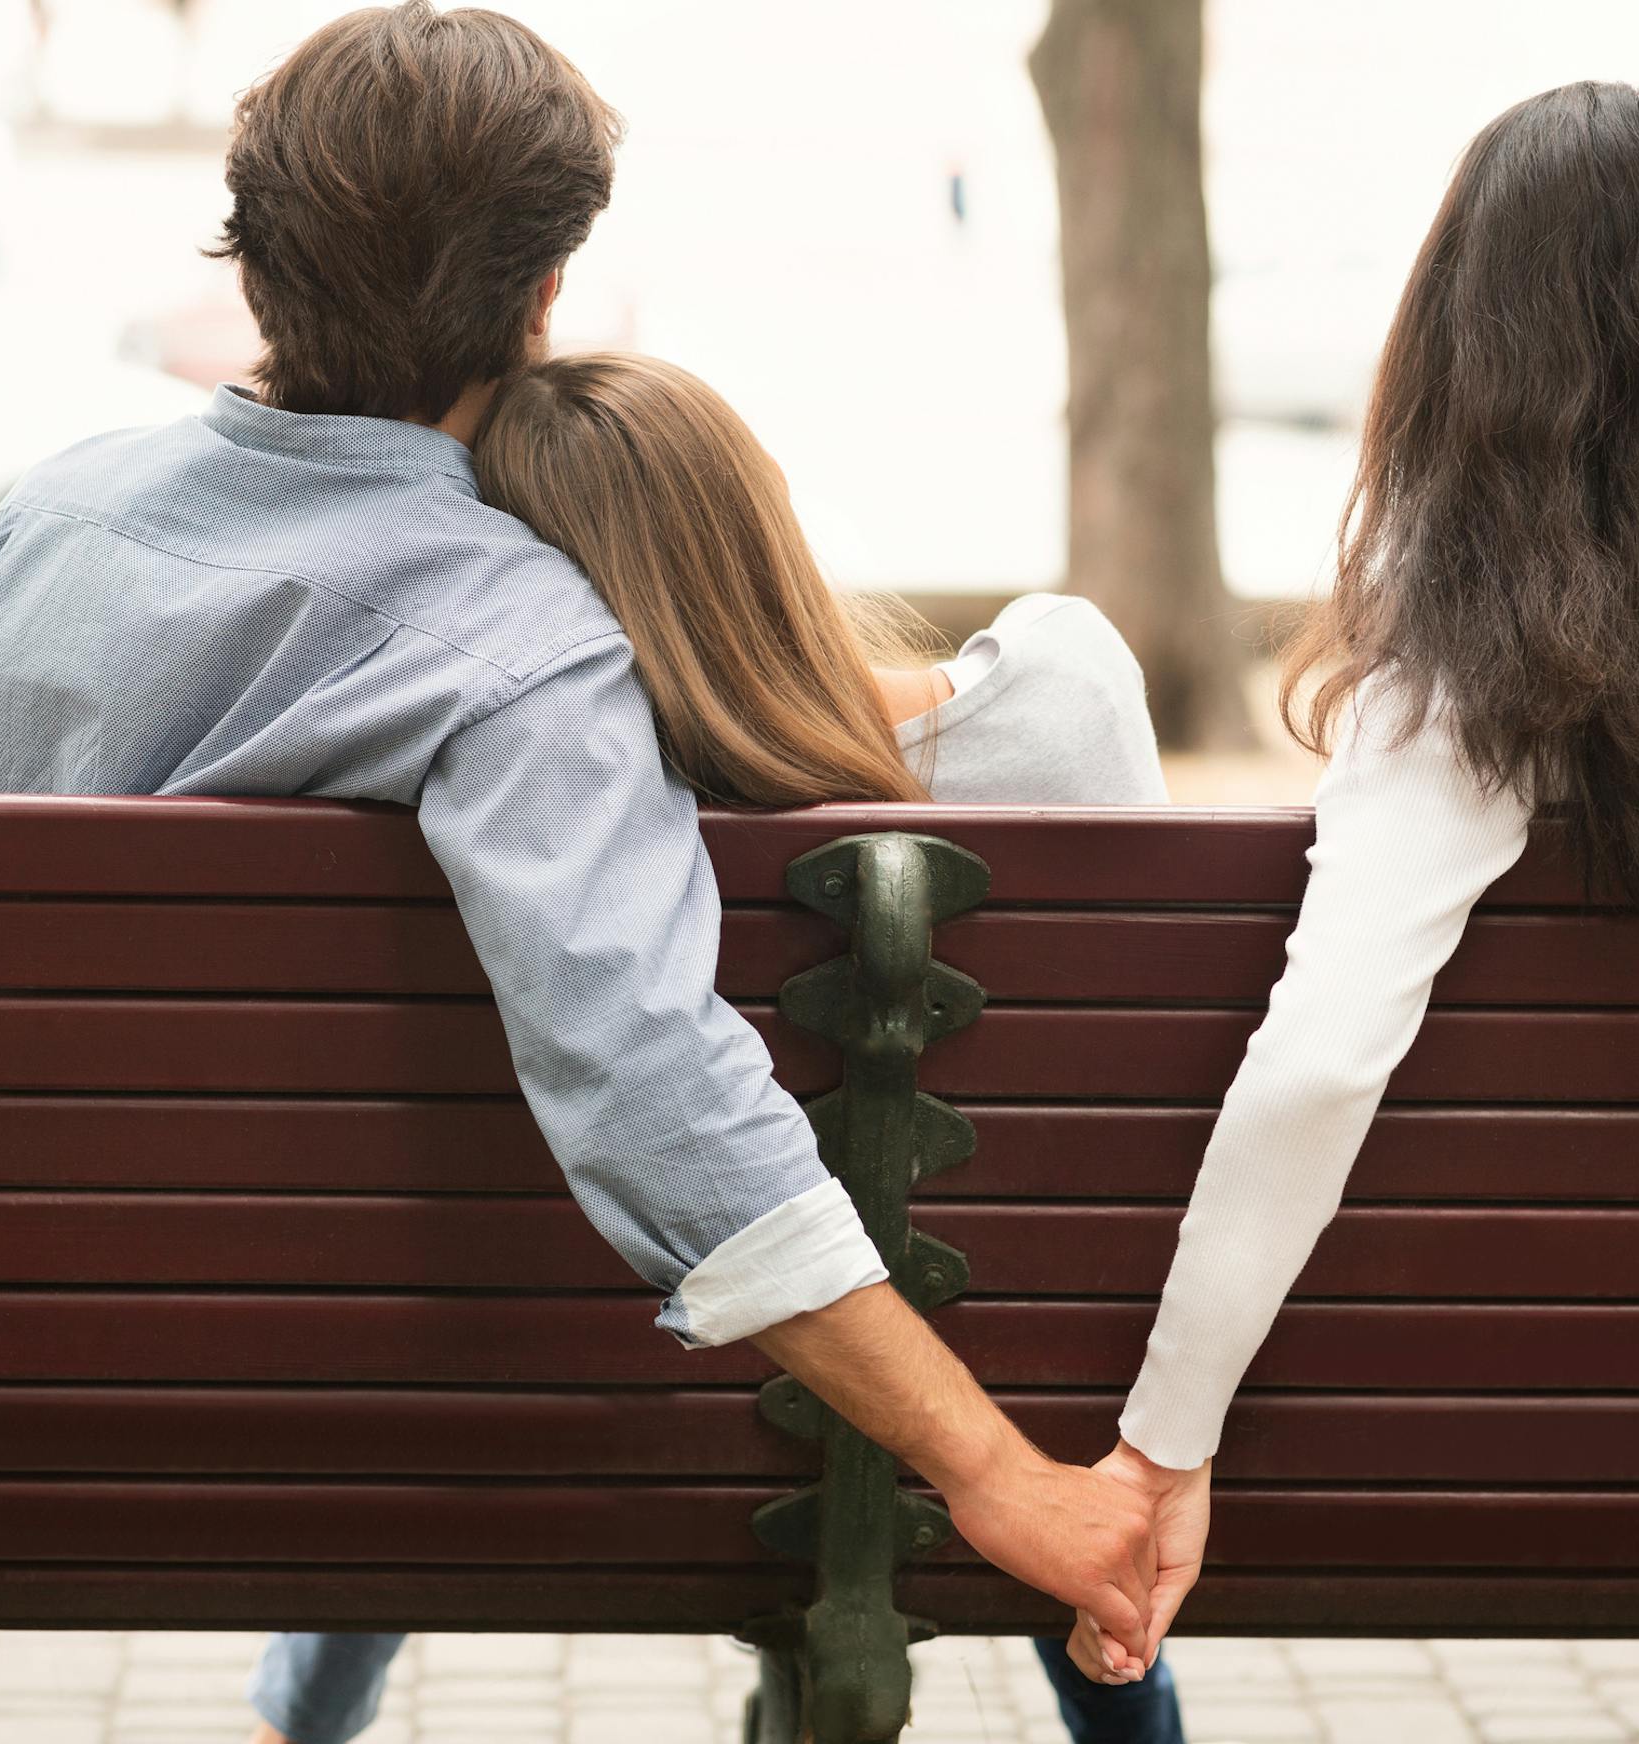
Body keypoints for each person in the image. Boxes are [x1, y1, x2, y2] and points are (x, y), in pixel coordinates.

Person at [0, 0, 1160, 1730]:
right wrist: (990, 1466)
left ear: (255, 259)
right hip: (441, 1391)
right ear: (541, 298)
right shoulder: (519, 648)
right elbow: (644, 1076)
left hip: (24, 1356)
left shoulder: (42, 519)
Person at [1063, 82, 1639, 1744]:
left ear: (1463, 364)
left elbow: (1323, 1060)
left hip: (1475, 1434)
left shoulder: (1450, 710)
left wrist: (1164, 1441)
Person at [247, 350, 1188, 1744]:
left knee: (463, 1320)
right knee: (1019, 1307)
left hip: (577, 1399)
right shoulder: (1067, 689)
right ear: (766, 513)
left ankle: (295, 1723)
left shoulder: (499, 814)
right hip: (989, 1393)